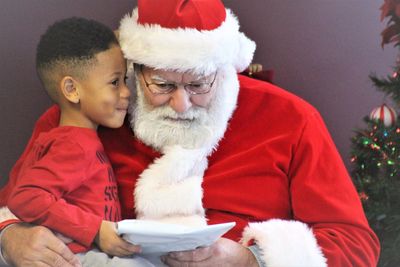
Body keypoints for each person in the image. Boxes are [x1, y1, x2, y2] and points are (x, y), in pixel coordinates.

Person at [0, 0, 380, 266]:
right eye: (161, 84)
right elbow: (12, 202)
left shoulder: (291, 119)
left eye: (199, 84)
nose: (181, 104)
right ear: (136, 68)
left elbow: (356, 244)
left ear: (223, 67)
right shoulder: (86, 114)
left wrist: (252, 261)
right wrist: (10, 236)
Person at [2, 17, 148, 266]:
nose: (126, 92)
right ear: (72, 90)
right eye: (115, 82)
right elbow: (25, 197)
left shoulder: (77, 138)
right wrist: (94, 230)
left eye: (125, 80)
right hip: (74, 254)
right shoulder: (72, 145)